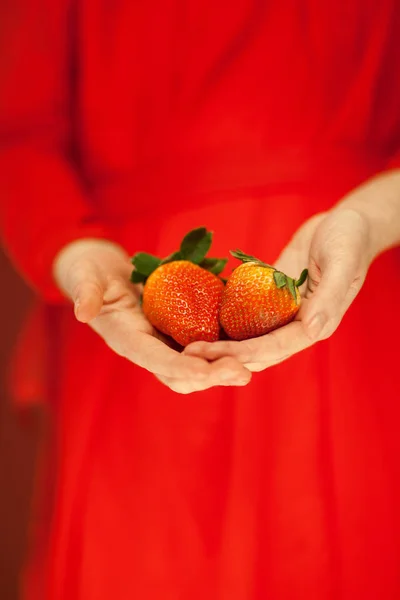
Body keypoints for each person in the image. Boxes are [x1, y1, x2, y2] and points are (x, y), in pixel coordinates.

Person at [1, 1, 400, 599]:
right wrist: (71, 250)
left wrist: (369, 218)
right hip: (126, 315)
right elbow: (18, 138)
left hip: (350, 296)